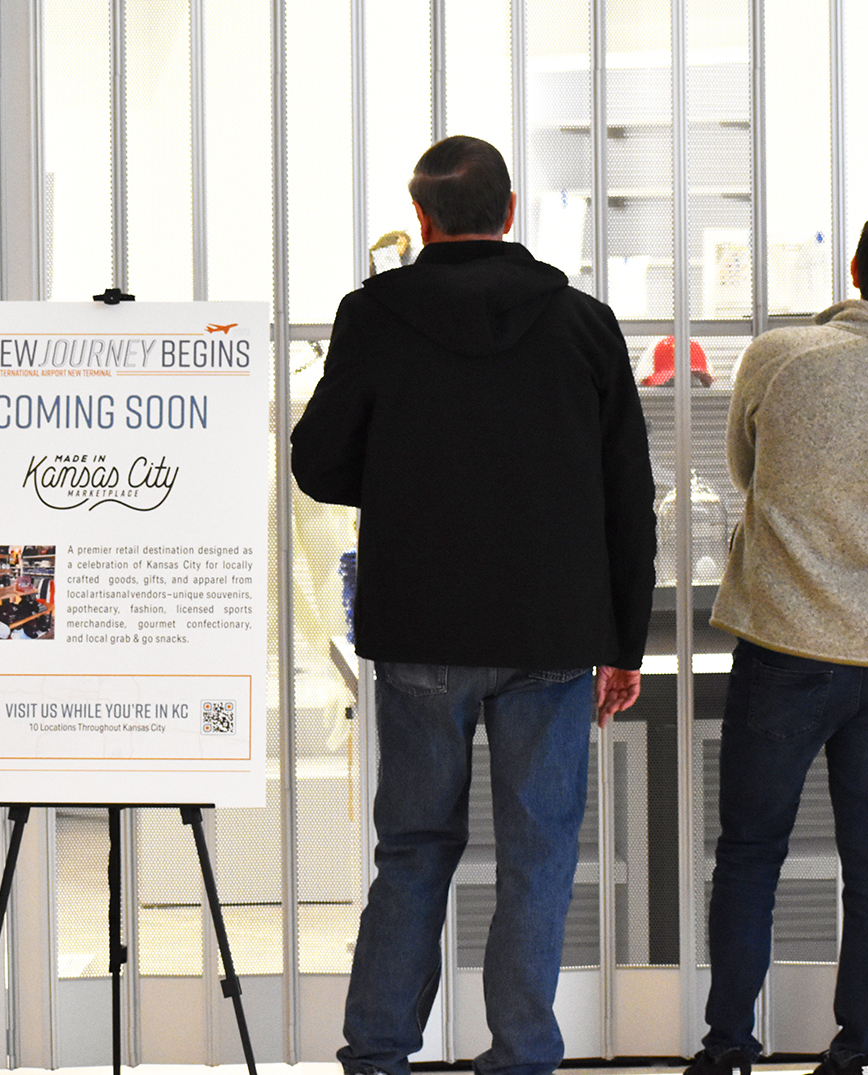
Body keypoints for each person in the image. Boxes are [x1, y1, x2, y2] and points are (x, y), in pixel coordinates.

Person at [291, 135, 657, 1075]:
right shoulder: (583, 323)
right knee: (539, 855)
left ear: (422, 220)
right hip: (554, 629)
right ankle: (523, 1053)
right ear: (512, 209)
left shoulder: (374, 315)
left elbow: (318, 460)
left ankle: (376, 1055)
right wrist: (625, 641)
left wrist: (412, 467)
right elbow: (628, 492)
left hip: (421, 629)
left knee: (413, 847)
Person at [688, 195, 868, 1075]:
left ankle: (731, 1043)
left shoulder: (778, 357)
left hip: (782, 644)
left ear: (854, 269)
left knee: (749, 849)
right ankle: (860, 1047)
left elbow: (745, 469)